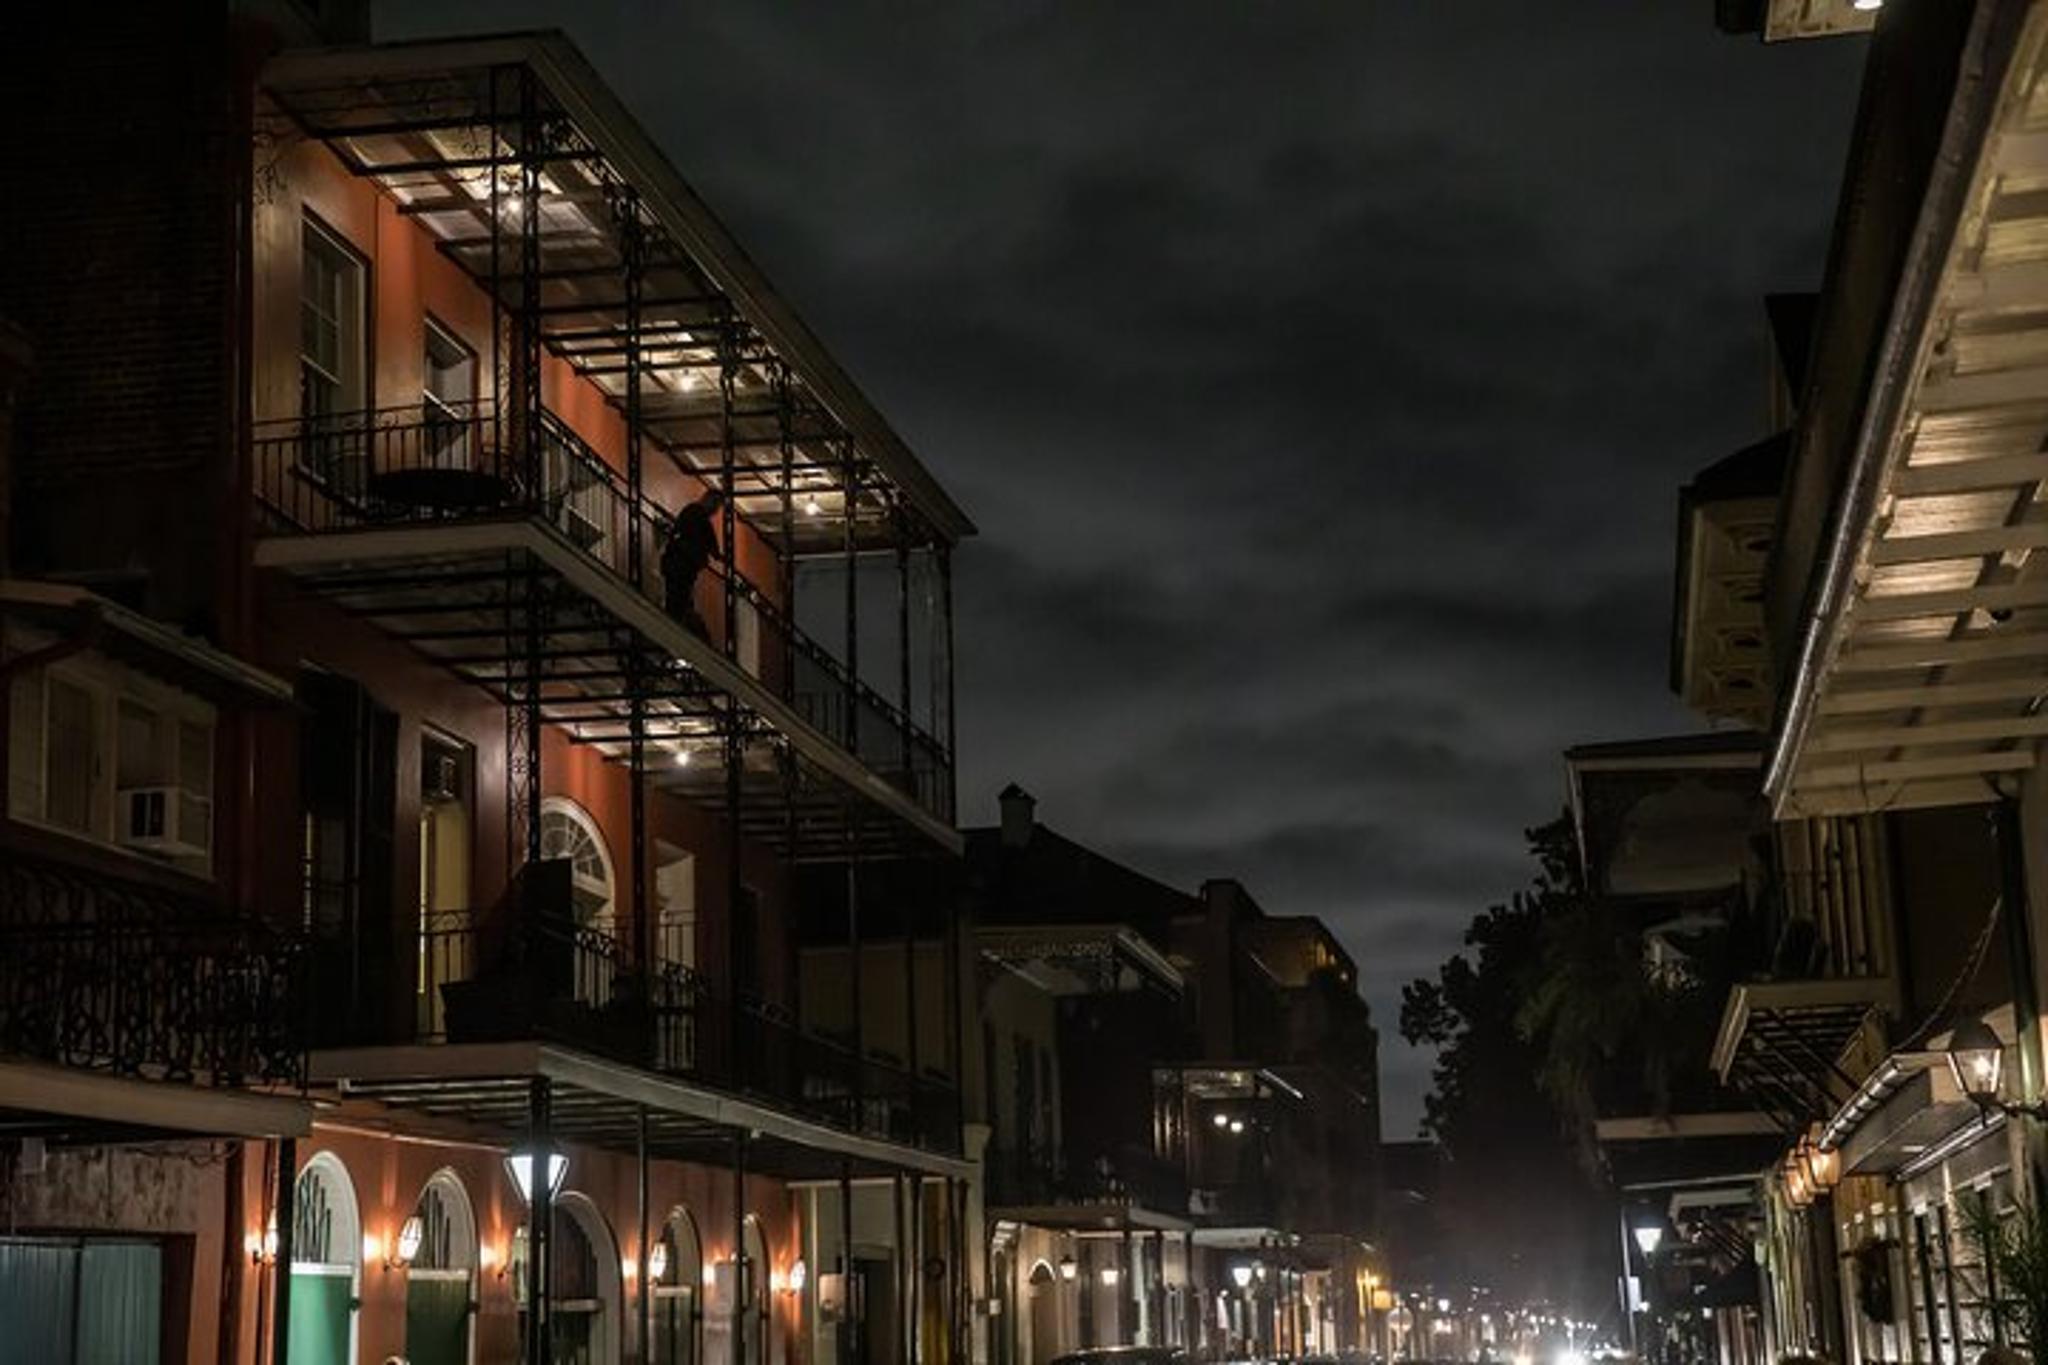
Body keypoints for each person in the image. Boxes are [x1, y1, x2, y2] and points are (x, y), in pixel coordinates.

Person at [662, 488, 723, 635]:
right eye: (715, 504)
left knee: (678, 599)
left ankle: (674, 626)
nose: (716, 509)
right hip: (680, 566)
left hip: (679, 565)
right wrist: (711, 554)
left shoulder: (694, 513)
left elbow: (711, 544)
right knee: (678, 599)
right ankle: (674, 627)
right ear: (707, 499)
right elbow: (711, 544)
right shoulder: (696, 513)